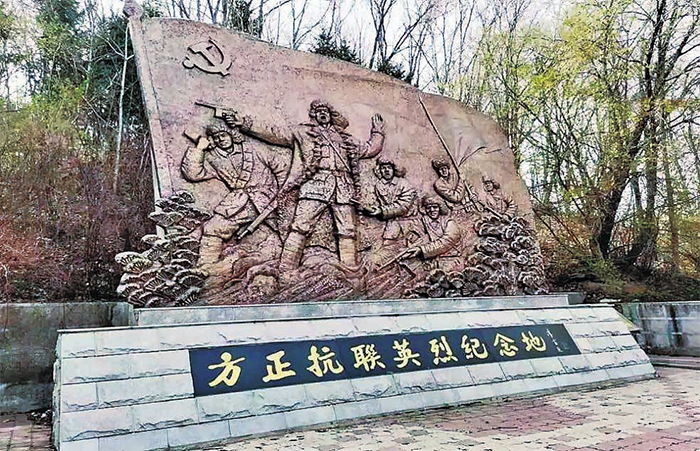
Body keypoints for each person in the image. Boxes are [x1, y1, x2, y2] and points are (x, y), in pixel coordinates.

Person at [226, 100, 385, 271]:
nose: (322, 114)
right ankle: (286, 267)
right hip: (315, 185)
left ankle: (350, 269)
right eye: (319, 111)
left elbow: (369, 149)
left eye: (325, 111)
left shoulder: (346, 138)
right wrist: (244, 124)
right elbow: (274, 133)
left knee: (348, 231)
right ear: (314, 115)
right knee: (300, 227)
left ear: (331, 115)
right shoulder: (302, 132)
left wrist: (378, 132)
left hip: (343, 188)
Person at [181, 124, 287, 269]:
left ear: (232, 135)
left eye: (223, 135)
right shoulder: (213, 158)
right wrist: (199, 148)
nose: (220, 140)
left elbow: (281, 168)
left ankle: (295, 264)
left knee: (288, 227)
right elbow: (193, 174)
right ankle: (206, 268)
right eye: (216, 137)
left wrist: (283, 193)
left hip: (269, 197)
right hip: (239, 202)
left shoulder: (254, 149)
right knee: (213, 228)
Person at [402, 196, 463, 272]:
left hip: (450, 261)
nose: (432, 210)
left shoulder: (450, 223)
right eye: (428, 208)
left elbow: (446, 242)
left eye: (435, 207)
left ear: (440, 208)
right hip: (432, 262)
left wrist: (422, 250)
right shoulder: (425, 221)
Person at [364, 157, 416, 244]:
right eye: (383, 168)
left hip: (407, 223)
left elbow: (404, 206)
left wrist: (382, 211)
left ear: (394, 169)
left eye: (389, 167)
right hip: (389, 223)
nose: (386, 170)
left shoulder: (404, 184)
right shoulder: (379, 185)